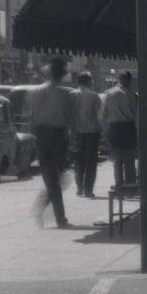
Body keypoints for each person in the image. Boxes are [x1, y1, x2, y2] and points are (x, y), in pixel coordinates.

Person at [27, 57, 76, 229]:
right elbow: (70, 119)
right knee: (60, 178)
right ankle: (55, 214)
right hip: (58, 136)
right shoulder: (66, 93)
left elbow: (31, 118)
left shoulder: (36, 92)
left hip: (41, 136)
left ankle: (53, 213)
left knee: (51, 177)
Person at [100, 70, 139, 188]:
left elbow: (101, 116)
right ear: (129, 81)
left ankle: (119, 184)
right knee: (130, 158)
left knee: (117, 159)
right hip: (129, 128)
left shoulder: (109, 94)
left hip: (115, 128)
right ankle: (131, 184)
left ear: (119, 79)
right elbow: (137, 116)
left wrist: (106, 132)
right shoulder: (134, 96)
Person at [72, 71, 103, 198]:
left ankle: (79, 188)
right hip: (92, 133)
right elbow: (99, 116)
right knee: (91, 163)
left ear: (78, 82)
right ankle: (88, 190)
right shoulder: (94, 96)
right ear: (89, 82)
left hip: (76, 134)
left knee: (78, 162)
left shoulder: (72, 95)